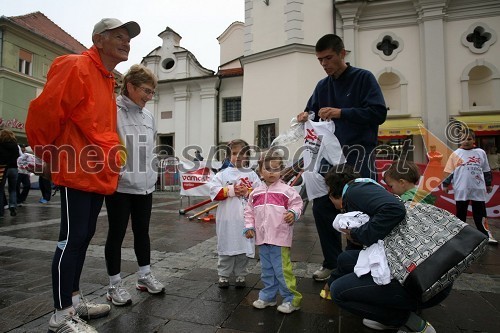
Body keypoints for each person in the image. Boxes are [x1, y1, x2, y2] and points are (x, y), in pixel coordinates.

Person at [26, 18, 141, 333]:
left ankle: (73, 301)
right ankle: (60, 315)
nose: (126, 42)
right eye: (118, 36)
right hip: (75, 169)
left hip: (96, 172)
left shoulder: (106, 78)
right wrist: (47, 156)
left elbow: (100, 128)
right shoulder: (75, 66)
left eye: (127, 38)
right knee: (71, 239)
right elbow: (45, 112)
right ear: (99, 40)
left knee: (83, 236)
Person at [296, 34, 387, 281]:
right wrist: (305, 116)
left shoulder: (363, 78)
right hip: (327, 157)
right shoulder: (322, 86)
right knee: (323, 206)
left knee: (357, 207)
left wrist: (341, 113)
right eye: (320, 60)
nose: (325, 64)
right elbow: (312, 111)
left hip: (358, 154)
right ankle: (332, 263)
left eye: (329, 58)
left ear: (342, 54)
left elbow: (378, 113)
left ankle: (357, 263)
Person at [325, 164, 449, 333]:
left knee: (338, 291)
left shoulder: (355, 191)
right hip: (425, 274)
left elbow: (394, 209)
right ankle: (389, 313)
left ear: (333, 190)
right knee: (345, 260)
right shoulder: (366, 191)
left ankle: (408, 322)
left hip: (422, 282)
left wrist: (358, 234)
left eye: (328, 191)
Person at [104, 64, 164, 307]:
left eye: (152, 93)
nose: (149, 97)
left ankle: (144, 275)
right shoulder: (111, 110)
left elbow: (150, 147)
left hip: (145, 184)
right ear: (130, 86)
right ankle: (114, 284)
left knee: (143, 232)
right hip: (120, 185)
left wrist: (153, 172)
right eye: (146, 91)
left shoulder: (148, 115)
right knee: (116, 235)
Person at [244, 153, 303, 314]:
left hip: (280, 238)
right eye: (267, 169)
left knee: (282, 270)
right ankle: (268, 297)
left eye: (276, 169)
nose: (271, 172)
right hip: (263, 239)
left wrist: (293, 212)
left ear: (281, 171)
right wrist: (249, 227)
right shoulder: (255, 193)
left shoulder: (287, 191)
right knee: (267, 270)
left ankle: (292, 299)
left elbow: (298, 204)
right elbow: (249, 212)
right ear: (260, 171)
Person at [209, 139, 262, 288]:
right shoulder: (222, 175)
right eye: (234, 153)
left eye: (242, 153)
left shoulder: (251, 175)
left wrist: (248, 191)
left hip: (245, 220)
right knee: (226, 247)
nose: (238, 156)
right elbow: (213, 192)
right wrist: (231, 190)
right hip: (227, 219)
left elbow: (259, 193)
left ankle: (241, 274)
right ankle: (224, 275)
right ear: (228, 155)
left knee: (243, 248)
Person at [443, 130, 497, 244]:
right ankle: (459, 234)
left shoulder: (480, 152)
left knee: (481, 213)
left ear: (474, 140)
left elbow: (486, 169)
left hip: (478, 189)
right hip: (461, 189)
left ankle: (486, 234)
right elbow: (449, 171)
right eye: (463, 139)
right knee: (461, 213)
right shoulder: (455, 154)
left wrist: (488, 184)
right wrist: (446, 184)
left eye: (469, 139)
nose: (466, 141)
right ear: (459, 140)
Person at [0, 129, 20, 217]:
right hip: (14, 168)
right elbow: (18, 156)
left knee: (0, 190)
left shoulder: (0, 145)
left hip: (3, 168)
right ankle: (12, 206)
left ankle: (1, 211)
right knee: (13, 189)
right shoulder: (15, 146)